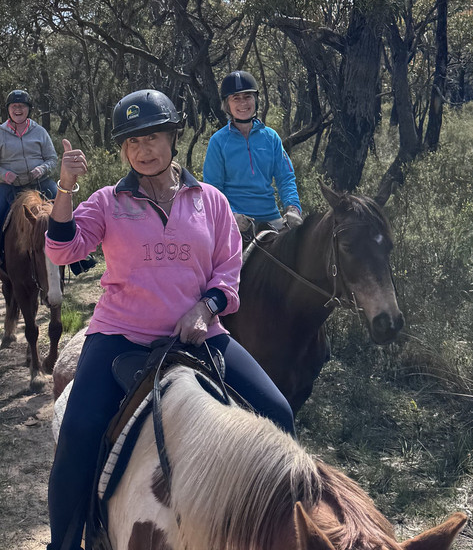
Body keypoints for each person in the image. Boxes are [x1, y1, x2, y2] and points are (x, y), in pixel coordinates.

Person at [44, 89, 294, 550]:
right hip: (121, 336)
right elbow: (62, 248)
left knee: (278, 413)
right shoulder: (106, 202)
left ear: (173, 138)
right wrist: (64, 188)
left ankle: (271, 531)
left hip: (199, 335)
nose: (144, 150)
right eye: (132, 142)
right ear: (122, 149)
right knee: (78, 434)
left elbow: (227, 271)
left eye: (153, 137)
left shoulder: (212, 201)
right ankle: (63, 543)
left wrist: (206, 308)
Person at [202, 69, 302, 241]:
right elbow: (213, 189)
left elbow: (285, 177)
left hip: (271, 218)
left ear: (255, 99)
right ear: (227, 104)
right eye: (236, 98)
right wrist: (231, 215)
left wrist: (293, 208)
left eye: (247, 96)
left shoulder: (271, 138)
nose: (243, 103)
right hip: (235, 220)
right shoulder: (218, 141)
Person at [0, 89, 58, 284]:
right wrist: (4, 174)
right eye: (14, 106)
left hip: (40, 182)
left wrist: (42, 168)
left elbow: (52, 158)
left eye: (22, 106)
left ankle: (77, 258)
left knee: (66, 209)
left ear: (29, 109)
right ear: (8, 110)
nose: (18, 109)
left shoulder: (40, 132)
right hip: (9, 186)